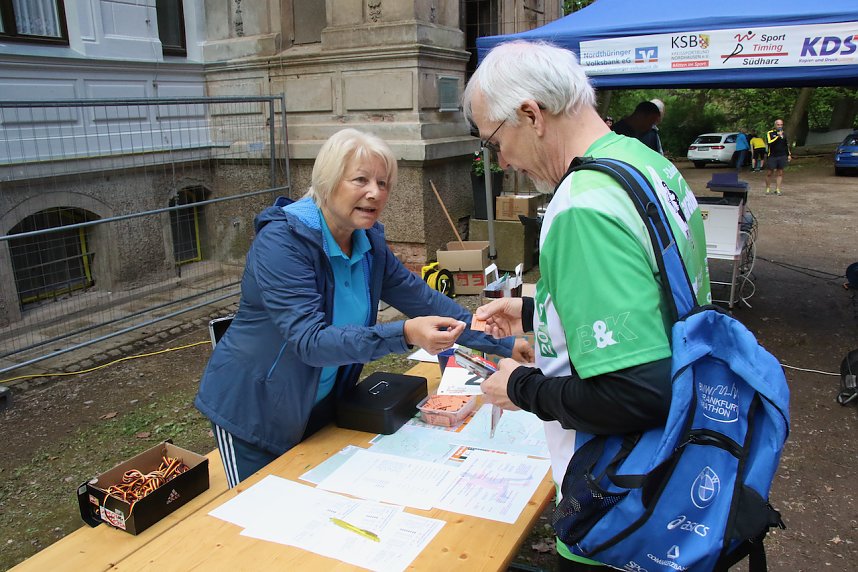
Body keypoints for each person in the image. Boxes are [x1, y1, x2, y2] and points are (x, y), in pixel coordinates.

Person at [463, 40, 711, 571]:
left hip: (617, 498)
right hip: (675, 468)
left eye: (493, 140)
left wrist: (520, 386)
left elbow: (637, 394)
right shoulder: (646, 164)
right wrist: (534, 314)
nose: (500, 159)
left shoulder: (581, 205)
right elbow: (655, 295)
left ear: (531, 114)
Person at [195, 128, 533, 488]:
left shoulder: (367, 242)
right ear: (327, 181)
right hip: (255, 412)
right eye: (360, 179)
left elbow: (422, 298)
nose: (375, 192)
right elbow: (309, 341)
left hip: (322, 404)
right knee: (258, 521)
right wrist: (403, 334)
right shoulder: (282, 243)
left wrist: (502, 344)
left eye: (384, 183)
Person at [765, 118, 792, 195]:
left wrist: (789, 154)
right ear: (775, 125)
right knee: (769, 172)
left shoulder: (784, 134)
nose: (780, 126)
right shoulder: (770, 133)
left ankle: (777, 189)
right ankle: (768, 188)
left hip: (782, 155)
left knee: (780, 172)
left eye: (781, 125)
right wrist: (777, 136)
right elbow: (770, 143)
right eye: (778, 125)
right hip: (772, 155)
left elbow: (786, 145)